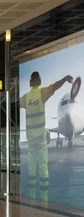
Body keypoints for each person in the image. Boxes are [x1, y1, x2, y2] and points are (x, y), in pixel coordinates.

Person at [19, 71, 73, 202]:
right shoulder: (42, 93)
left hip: (31, 138)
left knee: (32, 167)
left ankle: (31, 195)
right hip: (40, 138)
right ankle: (44, 197)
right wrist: (65, 78)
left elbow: (17, 104)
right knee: (43, 166)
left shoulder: (25, 97)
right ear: (39, 81)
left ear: (31, 82)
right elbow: (55, 86)